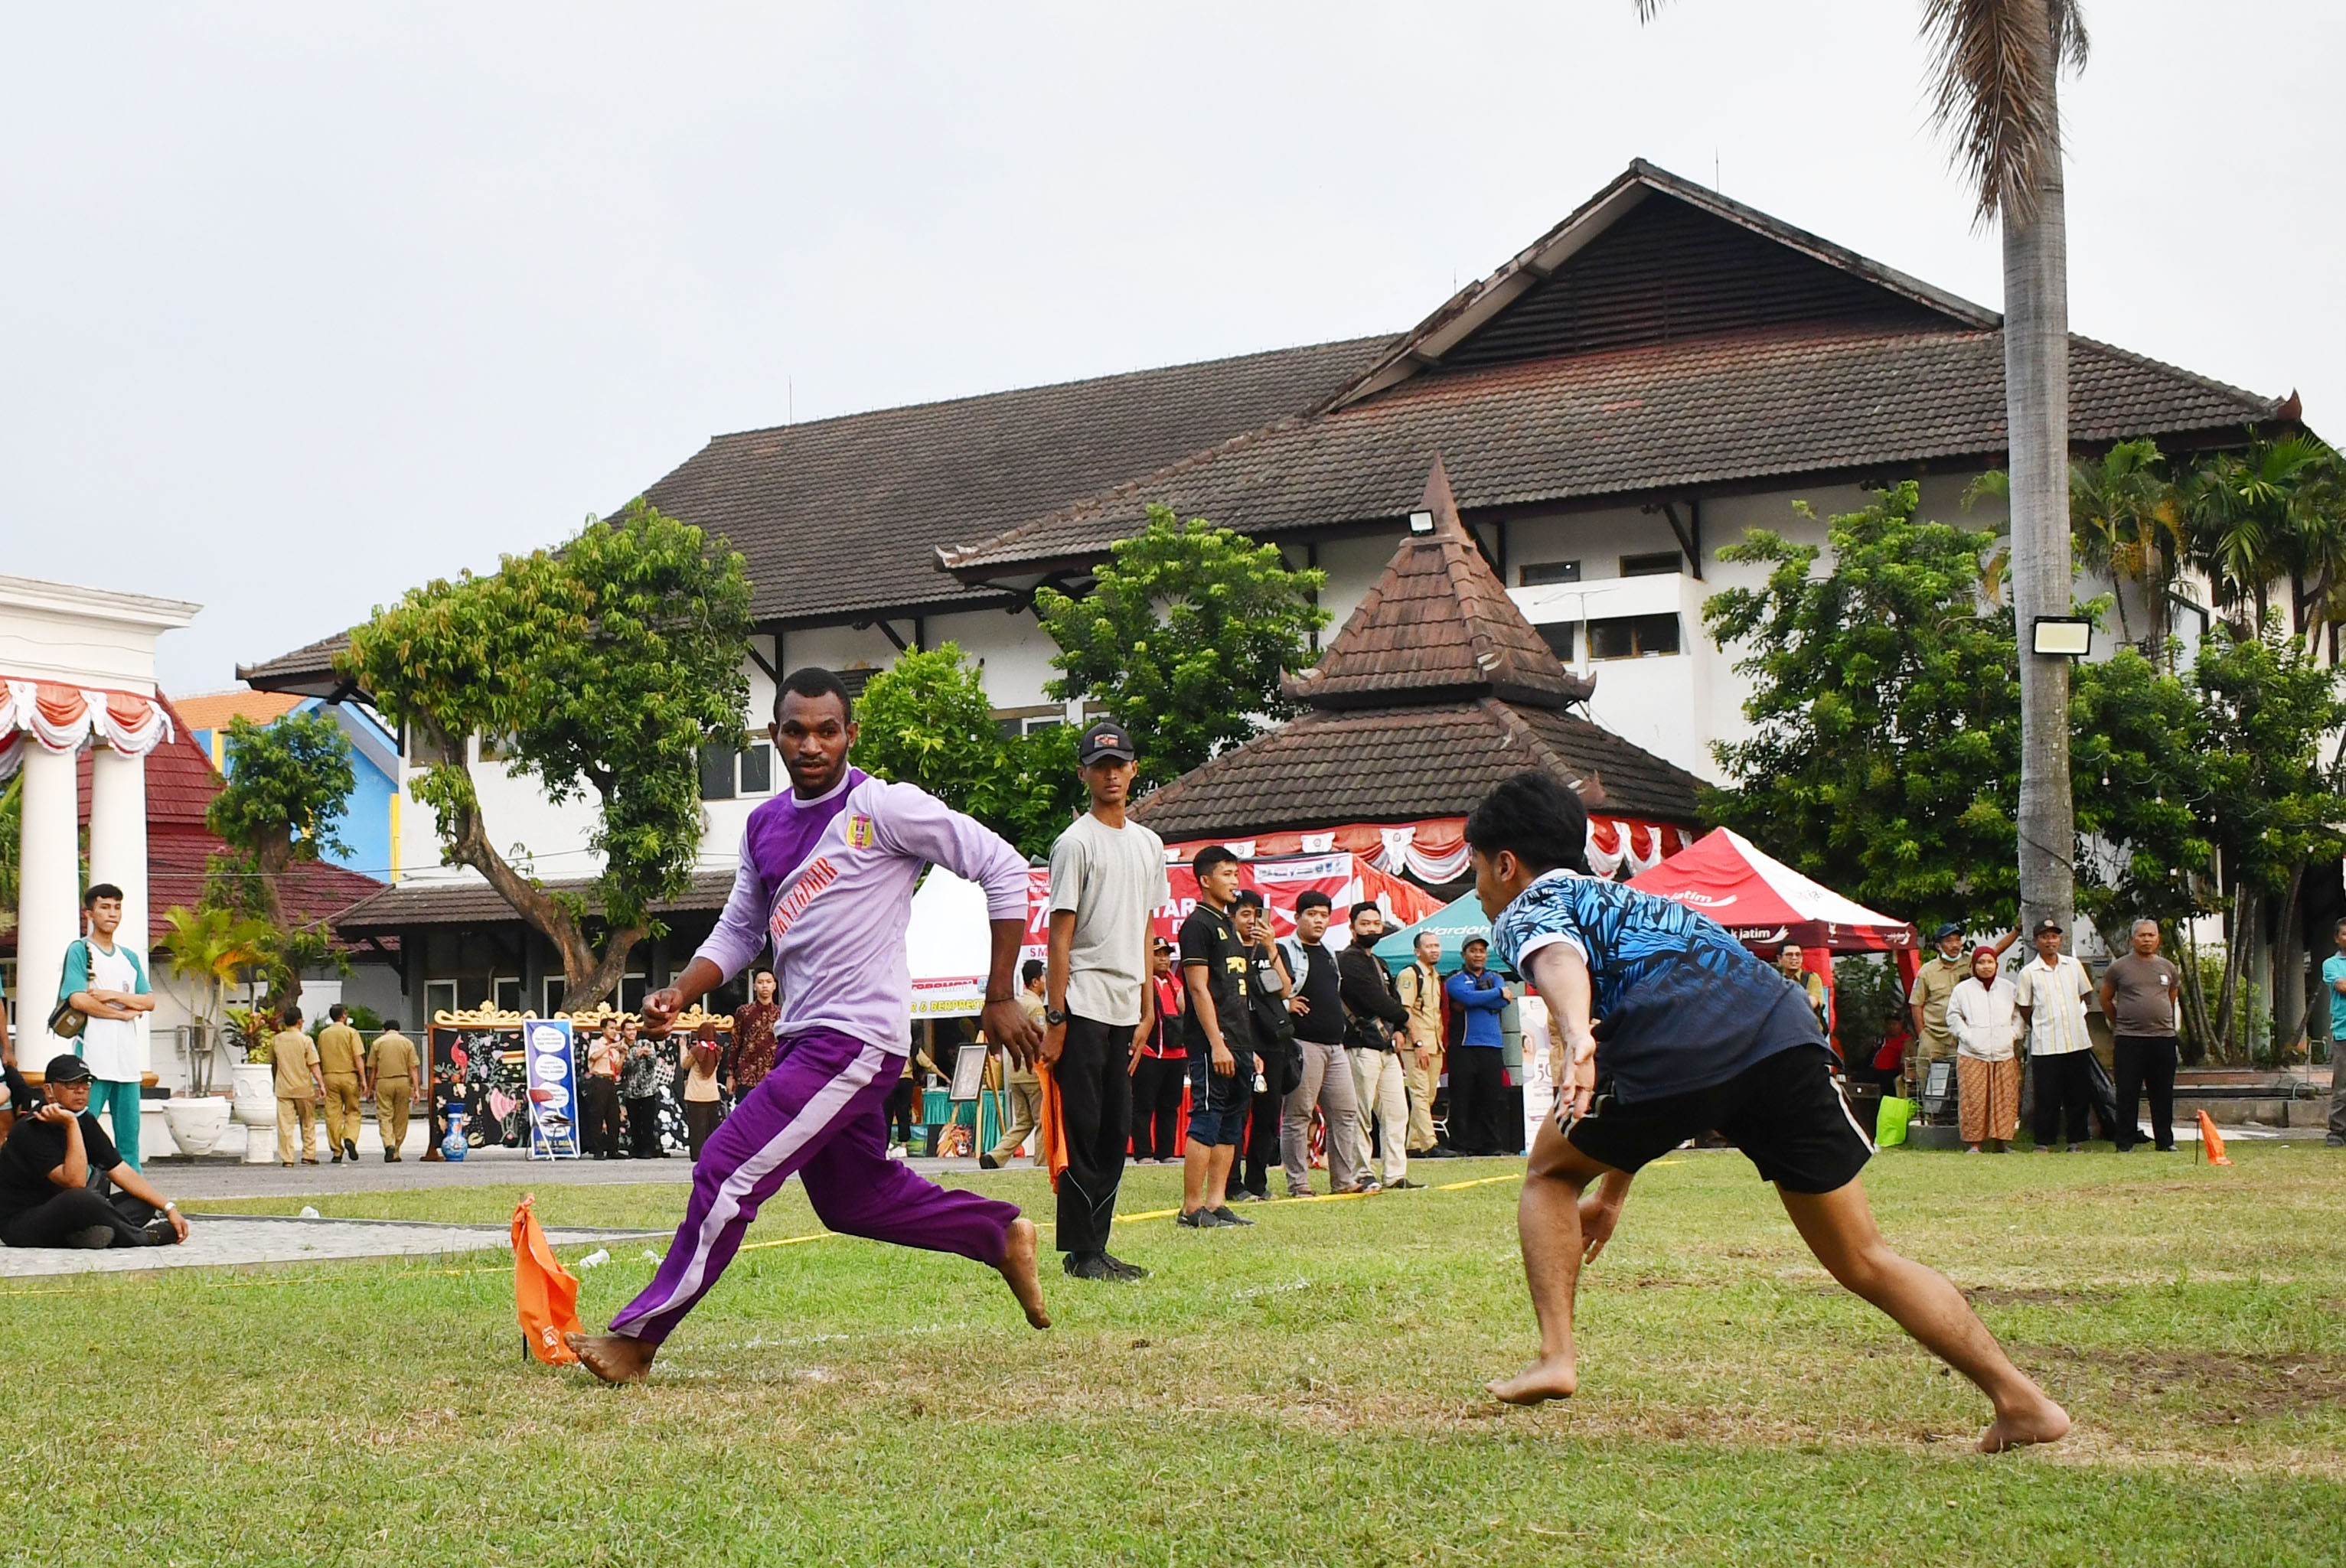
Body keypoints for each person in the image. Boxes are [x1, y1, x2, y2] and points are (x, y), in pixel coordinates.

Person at [1465, 770, 2068, 1452]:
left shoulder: (1531, 901)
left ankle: (1556, 1354)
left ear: (1506, 863)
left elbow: (1557, 957)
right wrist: (1613, 1189)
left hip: (1685, 1040)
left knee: (1547, 1174)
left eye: (1477, 868)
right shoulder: (1638, 900)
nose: (1479, 886)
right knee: (1864, 1256)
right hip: (1781, 1035)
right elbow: (1668, 1031)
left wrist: (1574, 1034)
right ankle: (2022, 1400)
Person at [566, 667, 1049, 1384]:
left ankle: (638, 1340)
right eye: (797, 730)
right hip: (805, 1037)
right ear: (775, 737)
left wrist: (1000, 991)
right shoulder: (764, 825)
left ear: (850, 734)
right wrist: (679, 988)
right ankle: (999, 1232)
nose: (813, 744)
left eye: (828, 730)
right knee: (854, 1200)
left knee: (724, 1168)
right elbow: (739, 930)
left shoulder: (884, 807)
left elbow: (1004, 868)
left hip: (855, 1040)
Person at [1038, 720, 1165, 1280]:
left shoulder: (1148, 843)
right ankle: (1079, 1249)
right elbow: (1058, 936)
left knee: (1117, 1127)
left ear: (1134, 769)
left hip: (1125, 1002)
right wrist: (1056, 1015)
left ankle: (1100, 1243)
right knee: (1083, 1126)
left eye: (1120, 764)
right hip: (1083, 1000)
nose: (1110, 774)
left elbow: (1144, 928)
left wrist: (1148, 1003)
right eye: (1099, 765)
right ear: (1083, 772)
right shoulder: (1074, 842)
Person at [0, 1055, 189, 1249]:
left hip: (70, 1213)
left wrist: (168, 1207)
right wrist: (71, 1124)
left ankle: (85, 1236)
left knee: (144, 1200)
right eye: (71, 1085)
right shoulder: (31, 1128)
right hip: (22, 1223)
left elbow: (118, 1168)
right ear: (49, 1090)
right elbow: (75, 1182)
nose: (81, 1091)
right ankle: (143, 1237)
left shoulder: (84, 1120)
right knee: (82, 1198)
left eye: (86, 1084)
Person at [1176, 845, 1262, 1228]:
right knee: (1206, 1118)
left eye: (1236, 874)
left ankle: (1215, 1202)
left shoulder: (1229, 925)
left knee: (1232, 1123)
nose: (1234, 882)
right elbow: (1198, 989)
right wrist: (1217, 1043)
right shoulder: (1197, 925)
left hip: (1240, 1041)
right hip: (1214, 1041)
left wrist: (1249, 1046)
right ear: (1205, 880)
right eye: (1226, 874)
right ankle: (1191, 1208)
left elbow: (1237, 992)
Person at [60, 882, 156, 1171]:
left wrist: (113, 995)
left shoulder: (129, 957)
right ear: (89, 913)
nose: (112, 913)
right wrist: (122, 1013)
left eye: (117, 907)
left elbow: (149, 1000)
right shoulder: (81, 950)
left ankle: (135, 1205)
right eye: (104, 907)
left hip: (127, 1064)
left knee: (129, 1142)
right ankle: (84, 1199)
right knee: (85, 1135)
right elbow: (77, 998)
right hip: (92, 1060)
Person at [1276, 890, 1365, 1197]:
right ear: (1297, 917)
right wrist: (1286, 1003)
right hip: (1303, 1042)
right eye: (1311, 914)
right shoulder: (1282, 949)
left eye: (1324, 915)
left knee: (1346, 1111)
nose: (1318, 920)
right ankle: (1298, 1183)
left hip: (1335, 1044)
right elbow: (1269, 987)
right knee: (1299, 1114)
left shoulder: (1328, 952)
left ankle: (1343, 1180)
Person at [1339, 902, 1416, 1192]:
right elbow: (1374, 1000)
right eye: (1365, 923)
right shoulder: (1349, 960)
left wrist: (1399, 1030)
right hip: (1360, 1044)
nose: (1372, 928)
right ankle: (1363, 1172)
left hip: (1386, 1047)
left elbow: (1392, 999)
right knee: (1361, 1113)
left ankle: (1396, 1173)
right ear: (1352, 927)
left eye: (1376, 923)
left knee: (1397, 1111)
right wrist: (1406, 1019)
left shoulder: (1380, 963)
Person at [1234, 891, 1300, 1202]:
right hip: (1238, 1041)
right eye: (1245, 914)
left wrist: (1272, 945)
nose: (1252, 921)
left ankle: (1257, 1182)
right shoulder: (1226, 949)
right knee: (1235, 1115)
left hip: (1271, 1042)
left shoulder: (1272, 949)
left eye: (1256, 914)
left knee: (1267, 1116)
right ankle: (1232, 1183)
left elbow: (1285, 990)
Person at [2012, 920, 2100, 1152]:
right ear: (2035, 942)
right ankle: (2044, 1142)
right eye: (2045, 937)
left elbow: (2084, 996)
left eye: (2054, 937)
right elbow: (2024, 1006)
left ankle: (2076, 1141)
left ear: (2060, 940)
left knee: (2078, 1094)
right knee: (2047, 1095)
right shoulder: (2028, 973)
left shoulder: (2073, 966)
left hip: (2077, 1041)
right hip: (2046, 1044)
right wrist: (2041, 1023)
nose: (2050, 941)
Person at [2099, 919, 2181, 1153]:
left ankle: (2165, 1141)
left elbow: (2171, 995)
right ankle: (2125, 1142)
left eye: (2151, 935)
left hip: (2163, 1039)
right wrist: (2121, 1022)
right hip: (2129, 1039)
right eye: (2142, 935)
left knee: (2163, 1092)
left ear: (2158, 938)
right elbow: (2105, 999)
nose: (2147, 939)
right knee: (2127, 1092)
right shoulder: (2119, 968)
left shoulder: (2168, 967)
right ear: (2133, 939)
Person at [1945, 947, 2021, 1152]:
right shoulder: (1962, 990)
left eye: (1990, 962)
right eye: (1981, 962)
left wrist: (2012, 1035)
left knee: (2004, 1099)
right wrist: (1968, 1036)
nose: (1986, 967)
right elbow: (1953, 1017)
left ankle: (2002, 1142)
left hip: (2003, 1052)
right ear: (1973, 966)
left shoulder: (2008, 988)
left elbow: (2019, 1015)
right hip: (1972, 1053)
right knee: (1974, 1099)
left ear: (1997, 964)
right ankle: (1974, 1144)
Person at [1444, 937, 1512, 1156]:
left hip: (1492, 1045)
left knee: (1491, 1099)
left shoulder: (1496, 977)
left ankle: (1492, 1146)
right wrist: (1496, 994)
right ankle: (1461, 1146)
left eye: (1482, 951)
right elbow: (1466, 997)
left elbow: (1502, 1002)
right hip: (1464, 1046)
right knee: (1462, 1098)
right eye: (1473, 951)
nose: (1478, 955)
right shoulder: (1455, 978)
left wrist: (1480, 998)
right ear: (1464, 954)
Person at [982, 961, 1048, 1171]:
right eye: (1044, 977)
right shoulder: (1035, 1006)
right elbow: (1042, 1037)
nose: (1046, 982)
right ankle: (1042, 1164)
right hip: (1033, 1072)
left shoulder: (1016, 1005)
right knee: (1042, 1121)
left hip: (1015, 1072)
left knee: (1023, 1121)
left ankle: (995, 1156)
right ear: (1036, 982)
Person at [1130, 939, 1187, 1165]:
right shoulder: (1141, 984)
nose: (1164, 958)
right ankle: (1144, 1152)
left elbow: (1186, 1009)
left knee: (1170, 1106)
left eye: (1167, 954)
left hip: (1177, 1054)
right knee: (1143, 1106)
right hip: (1150, 1053)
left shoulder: (1176, 983)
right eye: (1158, 954)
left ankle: (1166, 1151)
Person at [1395, 930, 1447, 1158]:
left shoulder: (1435, 976)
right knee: (1419, 1092)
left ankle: (1414, 1144)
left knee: (1429, 1096)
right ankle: (1429, 1143)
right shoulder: (1410, 974)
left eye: (1437, 945)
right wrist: (1417, 1042)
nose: (1434, 949)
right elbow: (1405, 1011)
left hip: (1434, 1043)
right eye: (1429, 946)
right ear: (1418, 951)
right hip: (1416, 1044)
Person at [1907, 923, 1971, 1094]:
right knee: (1932, 1084)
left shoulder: (1971, 964)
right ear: (1938, 946)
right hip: (1934, 1036)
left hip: (1963, 1035)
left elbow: (1993, 953)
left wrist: (2016, 930)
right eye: (1949, 941)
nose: (1955, 945)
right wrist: (1923, 1034)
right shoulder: (1927, 972)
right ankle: (1933, 1118)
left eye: (1958, 940)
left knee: (1966, 1082)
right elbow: (1916, 1003)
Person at [315, 1004, 369, 1164]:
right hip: (349, 1076)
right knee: (353, 1111)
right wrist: (363, 1079)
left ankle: (337, 1151)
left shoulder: (323, 1034)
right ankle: (350, 1138)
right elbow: (358, 1057)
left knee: (333, 1114)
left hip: (330, 1076)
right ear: (344, 1016)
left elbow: (319, 1056)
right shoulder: (351, 1033)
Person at [270, 1008, 324, 1166]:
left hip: (283, 1088)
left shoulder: (277, 1040)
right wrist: (321, 1084)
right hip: (303, 1088)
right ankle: (308, 1155)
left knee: (285, 1125)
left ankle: (287, 1158)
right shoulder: (306, 1040)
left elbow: (273, 1063)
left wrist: (276, 1080)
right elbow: (314, 1065)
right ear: (299, 1021)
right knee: (308, 1122)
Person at [367, 1018, 419, 1162]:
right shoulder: (407, 1043)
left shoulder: (377, 1043)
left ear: (384, 1030)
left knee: (385, 1115)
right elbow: (413, 1068)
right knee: (401, 1117)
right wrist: (416, 1089)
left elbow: (373, 1069)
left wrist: (370, 1089)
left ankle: (388, 1143)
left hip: (383, 1081)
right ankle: (396, 1150)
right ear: (399, 1030)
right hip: (403, 1081)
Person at [725, 968, 781, 1100]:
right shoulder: (744, 1012)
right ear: (755, 986)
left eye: (768, 982)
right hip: (746, 1075)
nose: (765, 986)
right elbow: (735, 1044)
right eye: (761, 982)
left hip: (773, 1074)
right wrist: (730, 1075)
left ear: (774, 986)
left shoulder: (782, 1014)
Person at [582, 1018, 627, 1159]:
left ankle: (613, 1149)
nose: (614, 1031)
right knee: (597, 1116)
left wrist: (623, 1054)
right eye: (611, 1028)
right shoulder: (597, 1043)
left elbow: (617, 1069)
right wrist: (609, 1047)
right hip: (599, 1081)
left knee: (614, 1116)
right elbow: (594, 1057)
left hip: (610, 1081)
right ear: (603, 1029)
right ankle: (597, 1150)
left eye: (615, 1028)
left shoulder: (614, 1049)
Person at [681, 1021, 725, 1159]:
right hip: (712, 1094)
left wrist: (683, 1048)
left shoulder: (696, 1050)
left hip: (695, 1094)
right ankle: (712, 1154)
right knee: (711, 1128)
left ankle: (697, 1155)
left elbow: (685, 1064)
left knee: (697, 1129)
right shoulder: (719, 1050)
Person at [1776, 943, 1832, 1037]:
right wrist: (1802, 995)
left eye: (1798, 955)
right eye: (1789, 955)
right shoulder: (1777, 981)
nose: (1794, 958)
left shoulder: (1811, 978)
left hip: (1810, 1035)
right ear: (1780, 959)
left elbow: (1811, 1004)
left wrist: (1784, 1000)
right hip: (1785, 1035)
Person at [2327, 921, 2346, 1149]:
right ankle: (2337, 1132)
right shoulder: (2330, 964)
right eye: (2344, 934)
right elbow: (2341, 986)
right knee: (2342, 1087)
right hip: (2343, 1034)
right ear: (2337, 938)